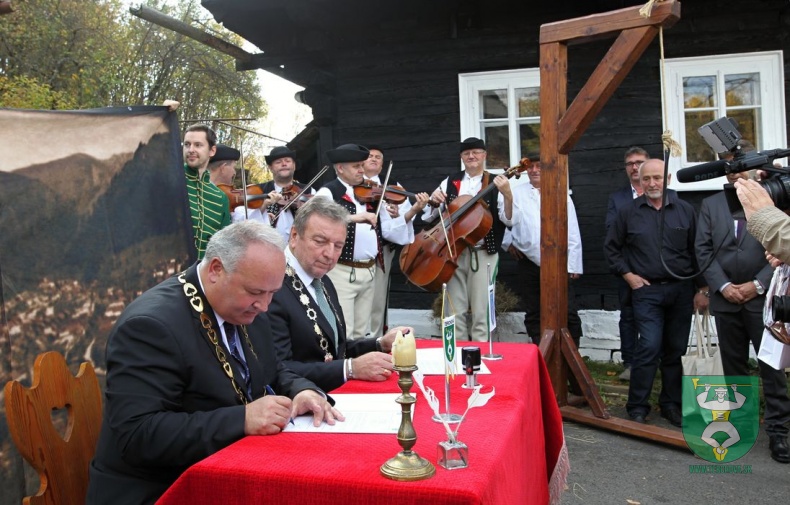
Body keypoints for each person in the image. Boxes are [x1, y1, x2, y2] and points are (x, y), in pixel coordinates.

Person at [87, 221, 341, 504]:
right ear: (216, 270)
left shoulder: (248, 305)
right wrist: (242, 419)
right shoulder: (150, 326)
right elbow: (138, 435)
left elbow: (271, 369)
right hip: (159, 488)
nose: (265, 306)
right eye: (257, 293)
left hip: (225, 469)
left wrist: (300, 390)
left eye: (273, 293)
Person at [696, 148, 790, 464]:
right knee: (734, 369)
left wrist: (757, 285)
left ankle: (779, 431)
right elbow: (703, 250)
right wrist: (722, 286)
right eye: (730, 168)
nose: (736, 172)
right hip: (726, 301)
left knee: (772, 368)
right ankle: (742, 425)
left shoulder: (770, 201)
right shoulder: (710, 205)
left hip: (763, 301)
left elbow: (782, 244)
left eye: (741, 166)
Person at [268, 197, 414, 392]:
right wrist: (350, 368)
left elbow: (334, 348)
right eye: (320, 241)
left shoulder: (321, 278)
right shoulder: (271, 286)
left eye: (338, 246)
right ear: (294, 236)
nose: (330, 254)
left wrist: (379, 344)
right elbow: (278, 370)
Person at [604, 158, 707, 426]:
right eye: (646, 178)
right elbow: (611, 248)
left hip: (681, 291)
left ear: (668, 178)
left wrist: (702, 288)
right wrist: (628, 275)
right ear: (639, 180)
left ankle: (670, 404)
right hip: (646, 291)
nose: (651, 183)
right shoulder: (628, 212)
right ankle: (637, 405)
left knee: (675, 350)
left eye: (657, 178)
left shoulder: (685, 210)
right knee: (648, 346)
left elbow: (697, 251)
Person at [315, 143, 412, 341]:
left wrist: (394, 212)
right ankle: (343, 370)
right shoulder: (329, 192)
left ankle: (358, 369)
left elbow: (389, 224)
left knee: (360, 333)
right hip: (342, 270)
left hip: (369, 270)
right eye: (356, 166)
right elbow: (315, 219)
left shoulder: (370, 192)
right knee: (345, 330)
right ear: (340, 168)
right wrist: (351, 218)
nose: (362, 170)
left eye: (362, 165)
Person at [422, 137, 513, 341]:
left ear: (484, 155)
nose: (471, 156)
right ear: (461, 157)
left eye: (476, 152)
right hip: (453, 253)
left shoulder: (496, 181)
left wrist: (507, 195)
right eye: (466, 153)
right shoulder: (450, 181)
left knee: (481, 309)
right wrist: (434, 202)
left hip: (483, 252)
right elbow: (429, 216)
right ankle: (457, 355)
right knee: (454, 308)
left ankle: (479, 356)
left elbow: (508, 219)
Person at [501, 155, 583, 347]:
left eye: (539, 166)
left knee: (567, 309)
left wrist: (573, 264)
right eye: (530, 167)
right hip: (528, 261)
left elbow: (571, 228)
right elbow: (504, 219)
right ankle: (540, 353)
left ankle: (572, 353)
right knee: (534, 310)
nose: (534, 170)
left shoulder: (559, 192)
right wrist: (508, 243)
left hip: (558, 261)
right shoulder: (516, 192)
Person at [363, 145, 431, 338]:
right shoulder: (353, 186)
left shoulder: (393, 187)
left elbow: (400, 222)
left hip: (381, 250)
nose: (374, 159)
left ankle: (375, 338)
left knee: (378, 299)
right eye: (370, 156)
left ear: (382, 165)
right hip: (353, 252)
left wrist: (411, 210)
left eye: (378, 157)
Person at [605, 147, 648, 380]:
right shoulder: (618, 198)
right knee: (629, 317)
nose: (634, 167)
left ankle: (654, 361)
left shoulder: (664, 194)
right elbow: (613, 232)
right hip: (628, 268)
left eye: (639, 162)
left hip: (658, 268)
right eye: (630, 163)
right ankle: (630, 363)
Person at [182, 124, 231, 259]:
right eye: (187, 144)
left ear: (212, 151)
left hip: (201, 276)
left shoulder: (220, 197)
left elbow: (223, 245)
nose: (191, 150)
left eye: (198, 145)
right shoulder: (172, 180)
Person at [258, 145, 311, 243]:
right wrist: (263, 205)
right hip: (268, 247)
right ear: (270, 167)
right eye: (278, 162)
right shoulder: (259, 190)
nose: (284, 164)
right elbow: (247, 220)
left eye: (287, 161)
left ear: (294, 165)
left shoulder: (308, 190)